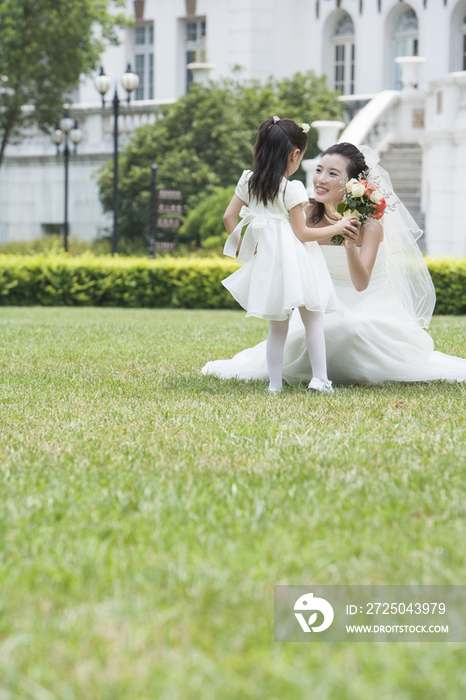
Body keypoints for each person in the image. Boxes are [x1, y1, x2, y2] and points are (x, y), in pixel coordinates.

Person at [203, 143, 466, 386]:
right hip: (320, 303)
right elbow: (272, 237)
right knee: (312, 333)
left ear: (353, 183)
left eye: (332, 173)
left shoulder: (371, 222)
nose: (320, 179)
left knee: (350, 329)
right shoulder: (304, 213)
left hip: (367, 303)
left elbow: (361, 284)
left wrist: (351, 247)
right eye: (319, 170)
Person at [219, 118, 360, 394]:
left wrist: (246, 251)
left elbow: (228, 217)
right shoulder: (291, 188)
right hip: (297, 261)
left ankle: (274, 385)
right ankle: (320, 379)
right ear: (295, 155)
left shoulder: (248, 180)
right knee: (313, 319)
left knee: (277, 326)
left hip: (269, 264)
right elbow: (302, 234)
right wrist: (338, 227)